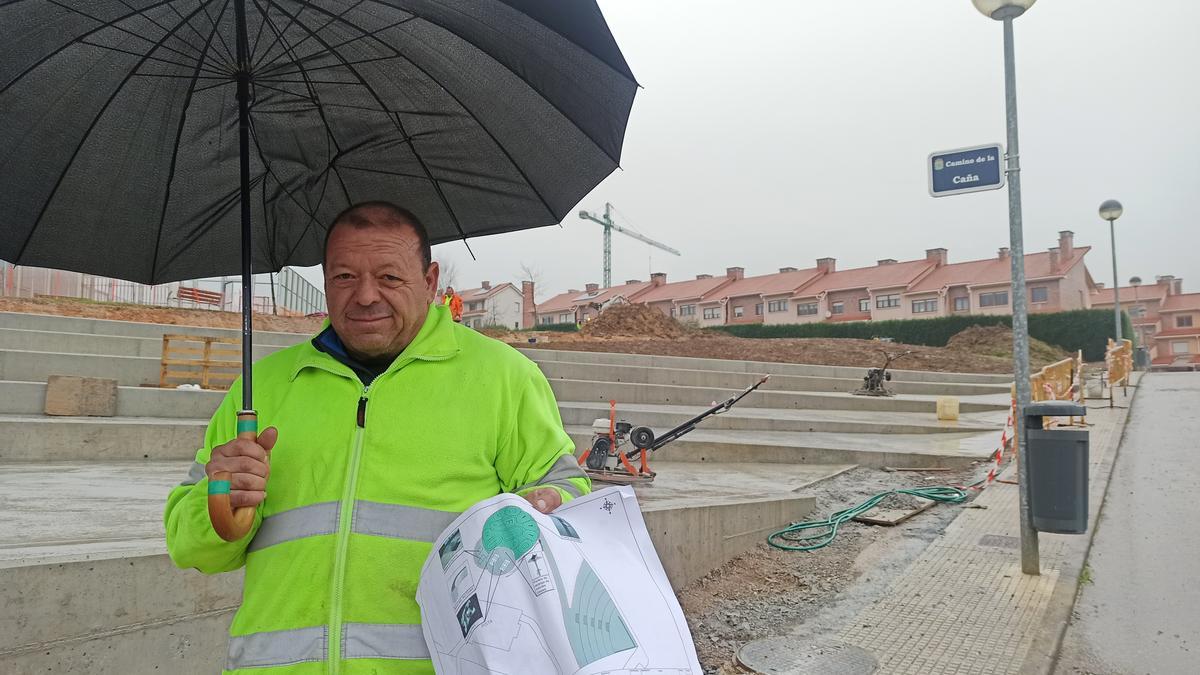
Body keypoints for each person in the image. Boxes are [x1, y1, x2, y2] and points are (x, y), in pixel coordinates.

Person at [164, 201, 588, 674]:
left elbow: (569, 497)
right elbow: (192, 549)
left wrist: (543, 507)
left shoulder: (505, 379)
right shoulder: (259, 389)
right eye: (345, 277)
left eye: (389, 277)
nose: (365, 296)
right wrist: (218, 499)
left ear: (429, 282)